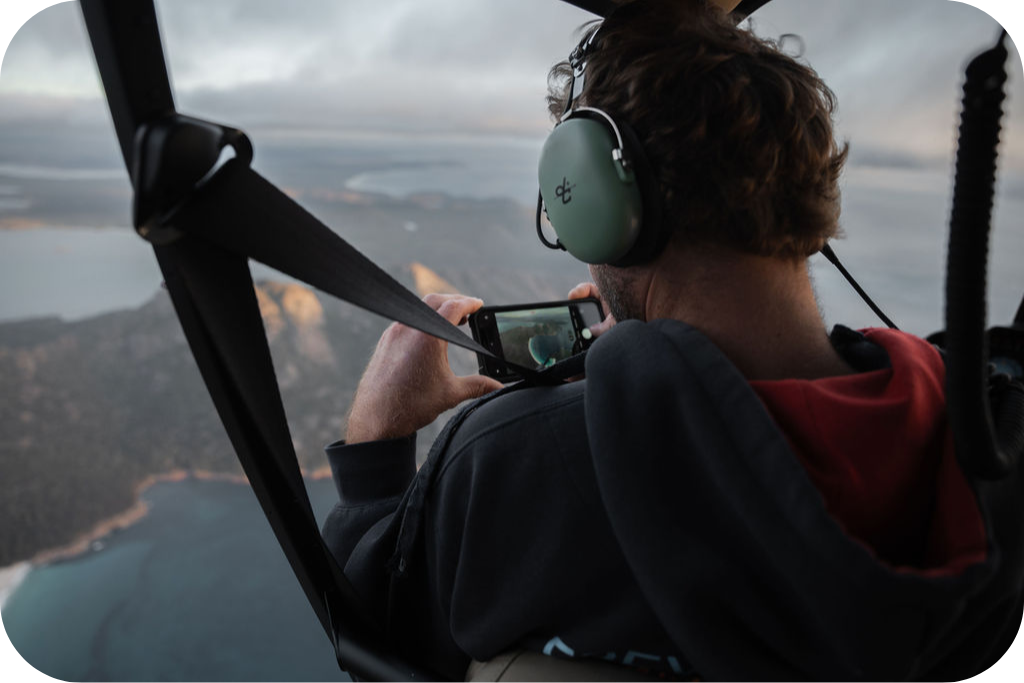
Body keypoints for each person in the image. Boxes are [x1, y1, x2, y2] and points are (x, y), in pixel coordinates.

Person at [322, 1, 1014, 681]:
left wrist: (375, 449)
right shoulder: (989, 435)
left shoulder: (517, 459)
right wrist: (654, 373)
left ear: (595, 208)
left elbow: (372, 630)